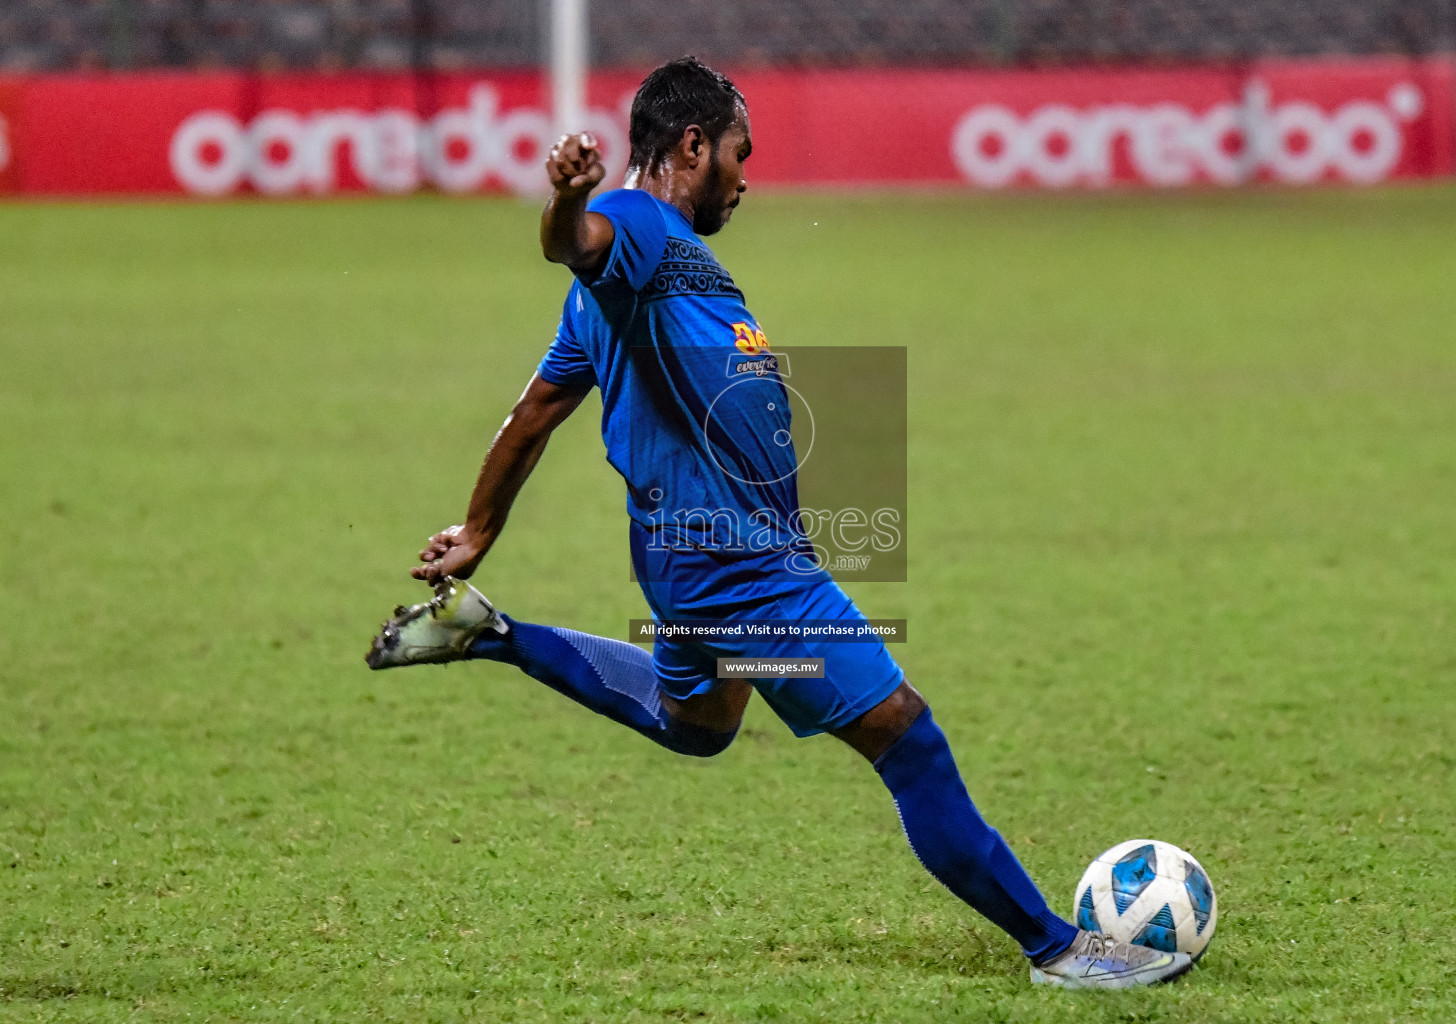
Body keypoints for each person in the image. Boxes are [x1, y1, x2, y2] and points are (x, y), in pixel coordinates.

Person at [365, 56, 1190, 990]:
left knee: (700, 724)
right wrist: (563, 204)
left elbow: (536, 410)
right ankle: (1059, 948)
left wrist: (479, 529)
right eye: (738, 154)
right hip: (741, 571)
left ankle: (495, 634)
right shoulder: (639, 232)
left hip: (690, 566)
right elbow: (577, 242)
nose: (747, 178)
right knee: (906, 737)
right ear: (691, 146)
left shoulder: (621, 292)